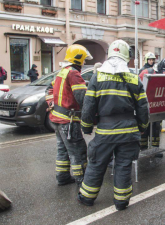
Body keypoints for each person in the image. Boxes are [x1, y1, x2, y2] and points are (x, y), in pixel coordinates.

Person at [78, 40, 149, 210]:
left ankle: (87, 197)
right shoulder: (134, 78)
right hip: (129, 130)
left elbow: (88, 106)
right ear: (126, 57)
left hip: (105, 131)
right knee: (123, 166)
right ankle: (121, 201)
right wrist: (142, 127)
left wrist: (86, 127)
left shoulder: (98, 76)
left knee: (97, 163)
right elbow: (143, 108)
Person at [45, 44, 91, 186]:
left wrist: (51, 103)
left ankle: (63, 177)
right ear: (78, 59)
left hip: (57, 120)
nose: (84, 62)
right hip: (68, 121)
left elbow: (49, 89)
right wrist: (90, 117)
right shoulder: (74, 74)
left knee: (63, 150)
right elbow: (82, 97)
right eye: (84, 60)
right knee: (78, 151)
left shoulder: (62, 72)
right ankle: (82, 181)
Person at [139, 58, 165, 154]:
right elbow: (138, 85)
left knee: (156, 128)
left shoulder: (164, 77)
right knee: (144, 127)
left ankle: (155, 149)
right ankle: (143, 147)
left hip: (157, 106)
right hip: (145, 106)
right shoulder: (147, 72)